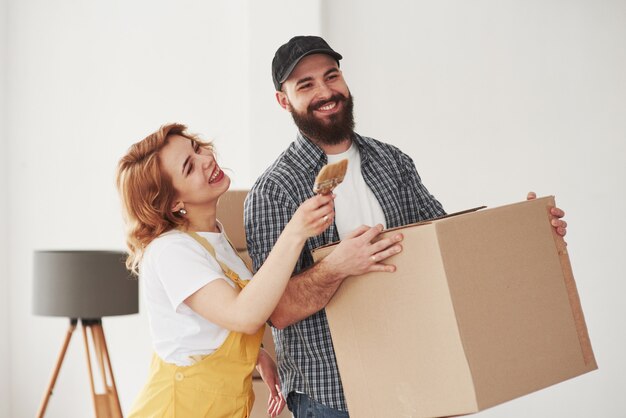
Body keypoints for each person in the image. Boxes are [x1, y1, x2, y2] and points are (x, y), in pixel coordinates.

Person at [244, 36, 568, 417]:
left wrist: (524, 231)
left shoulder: (391, 162)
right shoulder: (274, 191)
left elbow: (445, 248)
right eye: (306, 84)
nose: (325, 91)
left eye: (331, 76)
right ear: (284, 102)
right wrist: (337, 267)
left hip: (415, 378)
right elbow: (276, 311)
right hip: (333, 396)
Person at [116, 123, 340, 418]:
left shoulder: (213, 239)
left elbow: (204, 329)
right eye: (189, 166)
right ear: (172, 202)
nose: (206, 159)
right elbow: (243, 315)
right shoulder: (170, 250)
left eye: (196, 148)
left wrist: (256, 355)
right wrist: (296, 232)